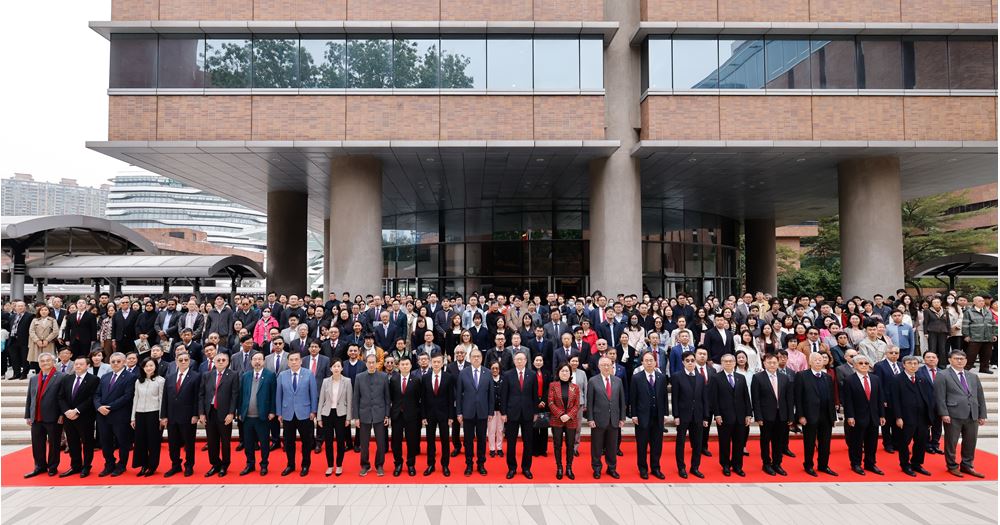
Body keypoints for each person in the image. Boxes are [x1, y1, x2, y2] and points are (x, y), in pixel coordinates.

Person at [935, 350, 988, 478]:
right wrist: (944, 413)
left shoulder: (973, 376)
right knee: (951, 442)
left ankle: (967, 465)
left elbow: (980, 396)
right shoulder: (943, 375)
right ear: (950, 360)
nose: (960, 361)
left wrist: (982, 414)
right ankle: (952, 466)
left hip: (972, 414)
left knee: (970, 441)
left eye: (962, 359)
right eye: (957, 358)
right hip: (953, 414)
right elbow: (939, 396)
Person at [841, 355, 885, 476]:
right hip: (857, 417)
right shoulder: (849, 380)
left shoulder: (875, 379)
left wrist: (881, 415)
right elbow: (847, 400)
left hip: (873, 416)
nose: (864, 365)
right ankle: (856, 464)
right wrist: (850, 416)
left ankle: (870, 463)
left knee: (872, 442)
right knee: (856, 442)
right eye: (861, 363)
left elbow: (879, 398)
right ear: (855, 366)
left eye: (866, 363)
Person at [795, 352, 837, 477]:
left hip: (826, 415)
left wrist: (833, 416)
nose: (819, 362)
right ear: (810, 362)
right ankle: (808, 465)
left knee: (825, 443)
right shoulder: (802, 376)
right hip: (809, 416)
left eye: (821, 359)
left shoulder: (827, 377)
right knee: (809, 442)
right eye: (816, 360)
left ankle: (823, 465)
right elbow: (798, 398)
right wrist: (800, 416)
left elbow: (831, 398)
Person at [709, 353, 751, 477]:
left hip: (740, 416)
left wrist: (748, 414)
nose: (728, 363)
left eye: (730, 361)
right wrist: (717, 414)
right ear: (722, 363)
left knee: (739, 443)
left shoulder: (741, 378)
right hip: (724, 416)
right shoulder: (716, 378)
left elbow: (746, 397)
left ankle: (738, 466)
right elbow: (714, 398)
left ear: (734, 363)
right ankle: (726, 465)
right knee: (725, 443)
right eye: (725, 361)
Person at [890, 355, 933, 477]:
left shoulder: (922, 378)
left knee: (921, 442)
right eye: (910, 363)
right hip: (906, 418)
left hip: (922, 418)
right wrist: (898, 417)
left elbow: (928, 398)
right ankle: (905, 465)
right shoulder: (897, 379)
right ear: (903, 365)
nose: (913, 365)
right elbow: (895, 400)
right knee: (904, 443)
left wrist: (929, 417)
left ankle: (917, 464)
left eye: (915, 363)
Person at [23, 352, 65, 477]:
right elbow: (30, 398)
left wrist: (62, 415)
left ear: (53, 362)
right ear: (39, 363)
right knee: (37, 444)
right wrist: (28, 415)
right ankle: (39, 466)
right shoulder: (34, 379)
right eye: (42, 361)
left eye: (48, 360)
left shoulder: (62, 377)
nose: (45, 363)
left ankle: (52, 466)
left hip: (54, 417)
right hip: (36, 417)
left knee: (54, 444)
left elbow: (64, 398)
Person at [751, 353, 794, 477]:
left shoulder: (784, 378)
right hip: (765, 416)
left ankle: (777, 463)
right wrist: (758, 416)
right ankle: (766, 463)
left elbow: (789, 399)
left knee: (779, 441)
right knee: (765, 441)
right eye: (769, 362)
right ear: (764, 364)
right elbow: (756, 399)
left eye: (774, 362)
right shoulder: (758, 377)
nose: (772, 365)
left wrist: (791, 416)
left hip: (782, 415)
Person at [276, 352, 317, 477]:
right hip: (287, 413)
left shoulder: (308, 374)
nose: (294, 362)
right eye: (291, 360)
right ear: (288, 362)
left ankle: (305, 465)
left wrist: (313, 411)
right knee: (288, 442)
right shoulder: (282, 375)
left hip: (305, 413)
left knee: (306, 441)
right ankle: (290, 464)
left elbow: (313, 393)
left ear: (301, 361)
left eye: (296, 359)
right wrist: (279, 412)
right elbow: (279, 395)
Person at [199, 352, 240, 477]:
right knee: (212, 441)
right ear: (214, 362)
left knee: (225, 442)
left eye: (223, 360)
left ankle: (225, 465)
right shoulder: (207, 375)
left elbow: (234, 395)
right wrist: (201, 413)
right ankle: (215, 464)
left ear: (228, 362)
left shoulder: (233, 375)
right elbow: (201, 395)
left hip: (225, 413)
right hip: (210, 412)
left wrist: (231, 413)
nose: (221, 362)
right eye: (219, 360)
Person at [94, 352, 135, 477]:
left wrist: (109, 407)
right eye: (113, 361)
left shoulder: (130, 377)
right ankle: (109, 464)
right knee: (105, 442)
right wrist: (99, 406)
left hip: (120, 415)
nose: (115, 364)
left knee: (122, 442)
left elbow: (127, 396)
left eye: (118, 361)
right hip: (103, 415)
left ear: (124, 362)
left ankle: (121, 465)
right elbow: (97, 395)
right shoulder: (105, 377)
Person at [58, 356, 99, 477]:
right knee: (72, 442)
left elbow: (91, 398)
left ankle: (86, 466)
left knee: (87, 443)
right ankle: (75, 466)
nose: (78, 366)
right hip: (68, 417)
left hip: (85, 417)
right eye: (76, 364)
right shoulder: (67, 379)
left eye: (81, 364)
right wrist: (66, 411)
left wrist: (76, 410)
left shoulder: (94, 379)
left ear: (87, 366)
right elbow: (61, 397)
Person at [236, 352, 277, 476]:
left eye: (260, 359)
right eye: (255, 359)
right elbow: (241, 395)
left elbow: (273, 395)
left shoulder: (270, 375)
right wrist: (239, 411)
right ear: (251, 361)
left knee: (264, 443)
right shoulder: (246, 375)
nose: (257, 362)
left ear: (264, 361)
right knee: (248, 443)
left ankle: (264, 464)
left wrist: (272, 411)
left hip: (262, 416)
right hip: (247, 416)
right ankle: (250, 464)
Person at [500, 352, 539, 479]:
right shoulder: (507, 375)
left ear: (526, 360)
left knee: (528, 443)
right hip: (512, 413)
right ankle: (512, 468)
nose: (520, 361)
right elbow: (503, 395)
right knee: (511, 443)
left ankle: (526, 468)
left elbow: (535, 396)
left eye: (522, 359)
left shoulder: (532, 375)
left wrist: (535, 412)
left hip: (528, 413)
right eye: (517, 359)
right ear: (514, 361)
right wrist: (503, 412)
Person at [586, 356, 626, 480]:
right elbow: (590, 402)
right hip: (598, 420)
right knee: (597, 447)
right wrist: (590, 418)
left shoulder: (618, 381)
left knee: (612, 446)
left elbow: (621, 401)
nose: (606, 367)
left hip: (614, 419)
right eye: (603, 365)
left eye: (608, 364)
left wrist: (622, 418)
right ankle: (597, 468)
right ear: (599, 367)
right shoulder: (593, 381)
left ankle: (612, 468)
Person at [161, 352, 200, 477]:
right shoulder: (170, 377)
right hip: (172, 416)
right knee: (173, 444)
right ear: (176, 361)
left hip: (188, 416)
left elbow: (197, 397)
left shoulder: (196, 376)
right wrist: (164, 415)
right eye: (181, 360)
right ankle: (175, 465)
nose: (183, 362)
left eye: (186, 360)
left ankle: (189, 465)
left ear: (190, 361)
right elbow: (165, 398)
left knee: (189, 443)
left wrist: (196, 415)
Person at [455, 348, 493, 476]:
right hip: (468, 412)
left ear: (482, 359)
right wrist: (459, 412)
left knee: (482, 439)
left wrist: (491, 412)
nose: (476, 358)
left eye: (478, 356)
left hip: (483, 412)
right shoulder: (463, 373)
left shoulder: (487, 373)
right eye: (474, 356)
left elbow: (491, 394)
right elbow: (459, 394)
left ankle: (481, 464)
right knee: (468, 440)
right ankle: (469, 464)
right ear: (470, 359)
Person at [630, 351, 668, 479]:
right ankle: (643, 468)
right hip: (642, 417)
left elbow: (663, 397)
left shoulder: (661, 377)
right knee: (642, 445)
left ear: (655, 362)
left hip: (657, 417)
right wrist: (633, 415)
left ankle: (656, 468)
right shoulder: (636, 377)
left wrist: (666, 414)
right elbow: (633, 398)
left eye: (651, 360)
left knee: (657, 445)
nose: (649, 362)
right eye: (646, 360)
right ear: (642, 363)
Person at [671, 351, 708, 479]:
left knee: (697, 443)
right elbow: (675, 397)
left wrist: (705, 416)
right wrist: (676, 415)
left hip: (697, 415)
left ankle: (695, 467)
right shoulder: (676, 376)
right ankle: (681, 467)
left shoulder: (700, 377)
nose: (691, 363)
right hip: (683, 415)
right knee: (680, 442)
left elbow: (704, 398)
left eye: (692, 360)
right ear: (683, 362)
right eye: (688, 360)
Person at [352, 353, 390, 477]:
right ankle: (365, 465)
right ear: (366, 363)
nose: (372, 364)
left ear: (377, 363)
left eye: (374, 362)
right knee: (364, 443)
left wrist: (386, 415)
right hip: (364, 414)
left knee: (381, 442)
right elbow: (356, 398)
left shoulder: (384, 377)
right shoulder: (359, 377)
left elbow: (387, 398)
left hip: (379, 413)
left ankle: (379, 465)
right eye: (369, 362)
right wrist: (356, 417)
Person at [421, 353, 455, 477]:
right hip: (429, 415)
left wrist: (451, 416)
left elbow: (451, 399)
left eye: (438, 362)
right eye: (434, 362)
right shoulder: (425, 377)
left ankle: (445, 465)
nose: (436, 364)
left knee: (445, 441)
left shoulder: (448, 377)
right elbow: (423, 399)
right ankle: (431, 464)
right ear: (431, 363)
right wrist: (423, 416)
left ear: (442, 363)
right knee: (430, 441)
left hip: (444, 415)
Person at [130, 357, 164, 476]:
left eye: (151, 365)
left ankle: (152, 466)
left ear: (155, 366)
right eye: (146, 366)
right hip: (140, 413)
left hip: (154, 413)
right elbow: (136, 398)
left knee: (153, 442)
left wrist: (161, 417)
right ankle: (143, 465)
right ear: (142, 368)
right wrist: (133, 417)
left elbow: (161, 400)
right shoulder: (139, 381)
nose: (149, 368)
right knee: (140, 442)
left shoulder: (160, 380)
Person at [389, 356, 421, 477]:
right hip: (397, 415)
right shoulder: (394, 379)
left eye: (407, 364)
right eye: (402, 364)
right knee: (396, 441)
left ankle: (411, 464)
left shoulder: (416, 380)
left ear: (411, 366)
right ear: (398, 366)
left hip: (412, 415)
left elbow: (418, 398)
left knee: (411, 441)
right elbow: (391, 397)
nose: (405, 366)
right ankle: (398, 464)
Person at [548, 363, 580, 480]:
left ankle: (569, 467)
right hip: (557, 419)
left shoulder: (575, 387)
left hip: (571, 420)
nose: (565, 373)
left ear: (570, 373)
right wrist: (561, 414)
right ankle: (559, 467)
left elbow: (577, 405)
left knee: (570, 445)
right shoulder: (553, 385)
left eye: (567, 371)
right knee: (557, 445)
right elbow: (550, 402)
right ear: (558, 373)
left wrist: (569, 415)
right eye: (562, 371)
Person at [873, 346, 903, 452]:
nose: (894, 354)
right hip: (887, 399)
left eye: (896, 353)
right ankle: (887, 444)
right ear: (886, 353)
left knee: (897, 421)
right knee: (887, 423)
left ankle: (896, 443)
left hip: (900, 399)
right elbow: (878, 384)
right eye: (891, 352)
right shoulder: (879, 366)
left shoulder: (901, 365)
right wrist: (882, 399)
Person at [916, 351, 944, 454]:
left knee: (937, 425)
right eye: (928, 357)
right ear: (924, 359)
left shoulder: (943, 372)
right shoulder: (918, 372)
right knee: (925, 425)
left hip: (939, 404)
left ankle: (935, 444)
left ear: (937, 359)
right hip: (925, 404)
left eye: (933, 357)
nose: (931, 359)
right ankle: (926, 445)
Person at [962, 296, 997, 374]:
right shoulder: (969, 312)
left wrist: (994, 334)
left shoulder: (988, 311)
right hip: (975, 337)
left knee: (987, 354)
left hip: (988, 337)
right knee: (971, 354)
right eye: (979, 301)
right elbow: (965, 324)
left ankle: (984, 368)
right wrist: (966, 335)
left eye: (982, 301)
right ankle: (966, 368)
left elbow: (993, 323)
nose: (982, 302)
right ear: (974, 302)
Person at [27, 304, 59, 373]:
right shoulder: (35, 320)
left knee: (48, 359)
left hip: (48, 343)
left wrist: (47, 340)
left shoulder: (52, 320)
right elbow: (31, 331)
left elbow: (55, 331)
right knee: (37, 360)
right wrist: (37, 340)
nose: (43, 311)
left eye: (45, 310)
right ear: (39, 312)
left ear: (48, 312)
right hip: (36, 343)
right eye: (42, 310)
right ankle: (38, 374)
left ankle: (48, 374)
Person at [486, 361, 505, 458]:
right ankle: (492, 449)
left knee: (500, 430)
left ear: (499, 369)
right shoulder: (487, 380)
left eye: (497, 368)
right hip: (491, 410)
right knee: (491, 430)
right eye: (493, 368)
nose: (495, 370)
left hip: (501, 410)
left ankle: (500, 448)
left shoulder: (504, 379)